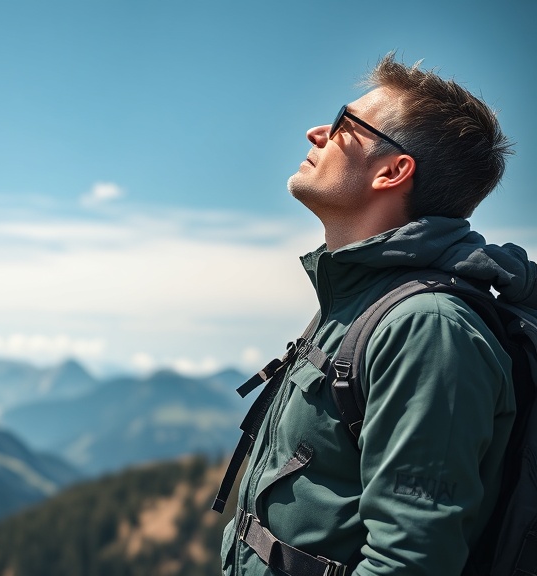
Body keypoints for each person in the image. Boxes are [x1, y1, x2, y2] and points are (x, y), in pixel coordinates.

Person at [220, 53, 537, 575]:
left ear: (393, 171)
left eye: (346, 125)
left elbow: (410, 559)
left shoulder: (427, 329)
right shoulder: (357, 300)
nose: (317, 131)